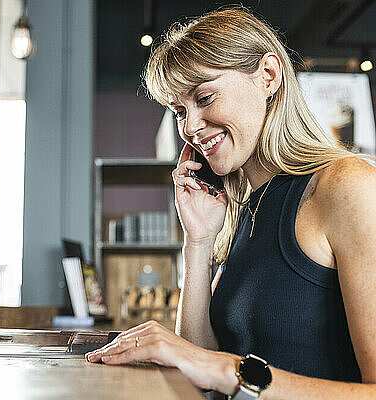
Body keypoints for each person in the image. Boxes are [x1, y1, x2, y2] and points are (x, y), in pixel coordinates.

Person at [85, 7, 376, 399]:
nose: (189, 126)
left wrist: (230, 368)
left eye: (205, 97)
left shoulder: (347, 186)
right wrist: (199, 241)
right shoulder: (244, 209)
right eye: (180, 111)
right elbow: (200, 370)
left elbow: (218, 368)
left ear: (268, 76)